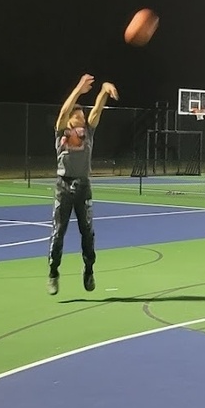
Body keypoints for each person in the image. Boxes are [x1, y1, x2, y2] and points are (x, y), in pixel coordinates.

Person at [47, 73, 119, 296]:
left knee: (87, 233)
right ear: (71, 118)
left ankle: (89, 270)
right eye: (79, 114)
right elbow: (63, 112)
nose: (83, 116)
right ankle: (53, 272)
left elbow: (97, 109)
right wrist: (78, 87)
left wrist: (104, 90)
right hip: (63, 187)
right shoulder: (62, 131)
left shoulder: (88, 132)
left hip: (83, 187)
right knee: (58, 233)